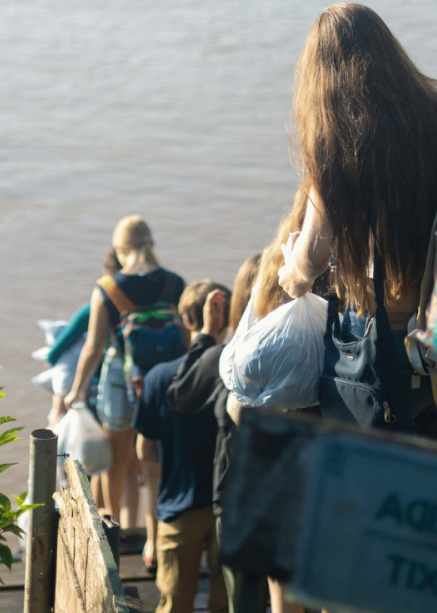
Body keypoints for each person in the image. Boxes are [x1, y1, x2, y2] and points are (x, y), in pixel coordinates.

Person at [277, 2, 437, 441]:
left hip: (379, 344)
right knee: (434, 451)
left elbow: (311, 257)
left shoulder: (336, 143)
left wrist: (289, 270)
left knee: (374, 476)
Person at [65, 215, 186, 526]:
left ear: (120, 249)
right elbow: (185, 340)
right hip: (164, 381)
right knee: (153, 461)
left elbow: (93, 348)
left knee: (115, 463)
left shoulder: (108, 288)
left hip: (122, 380)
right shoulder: (175, 283)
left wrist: (76, 390)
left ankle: (115, 526)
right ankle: (151, 533)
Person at [167, 254, 265, 613]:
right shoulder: (311, 351)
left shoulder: (226, 358)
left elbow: (181, 394)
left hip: (236, 502)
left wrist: (207, 333)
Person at [135, 280, 230, 613]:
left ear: (185, 321)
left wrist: (151, 530)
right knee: (229, 601)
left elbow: (145, 453)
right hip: (227, 507)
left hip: (178, 506)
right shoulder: (237, 375)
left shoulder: (159, 378)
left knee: (174, 601)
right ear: (228, 320)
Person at [47, 248, 123, 428]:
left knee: (67, 360)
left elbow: (56, 352)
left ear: (105, 273)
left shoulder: (92, 309)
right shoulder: (137, 311)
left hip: (95, 386)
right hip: (123, 388)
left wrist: (75, 389)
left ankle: (54, 424)